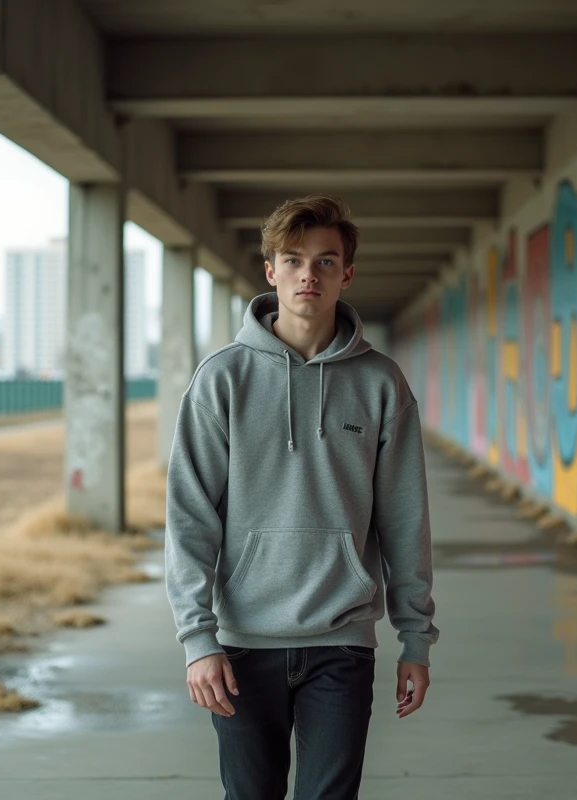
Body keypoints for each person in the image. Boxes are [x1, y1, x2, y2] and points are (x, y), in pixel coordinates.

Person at [164, 194, 439, 799]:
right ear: (271, 271)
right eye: (292, 259)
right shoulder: (222, 379)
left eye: (324, 261)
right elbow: (189, 518)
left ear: (347, 273)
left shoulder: (381, 382)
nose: (308, 274)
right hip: (242, 645)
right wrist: (196, 638)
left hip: (342, 639)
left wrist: (415, 638)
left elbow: (405, 519)